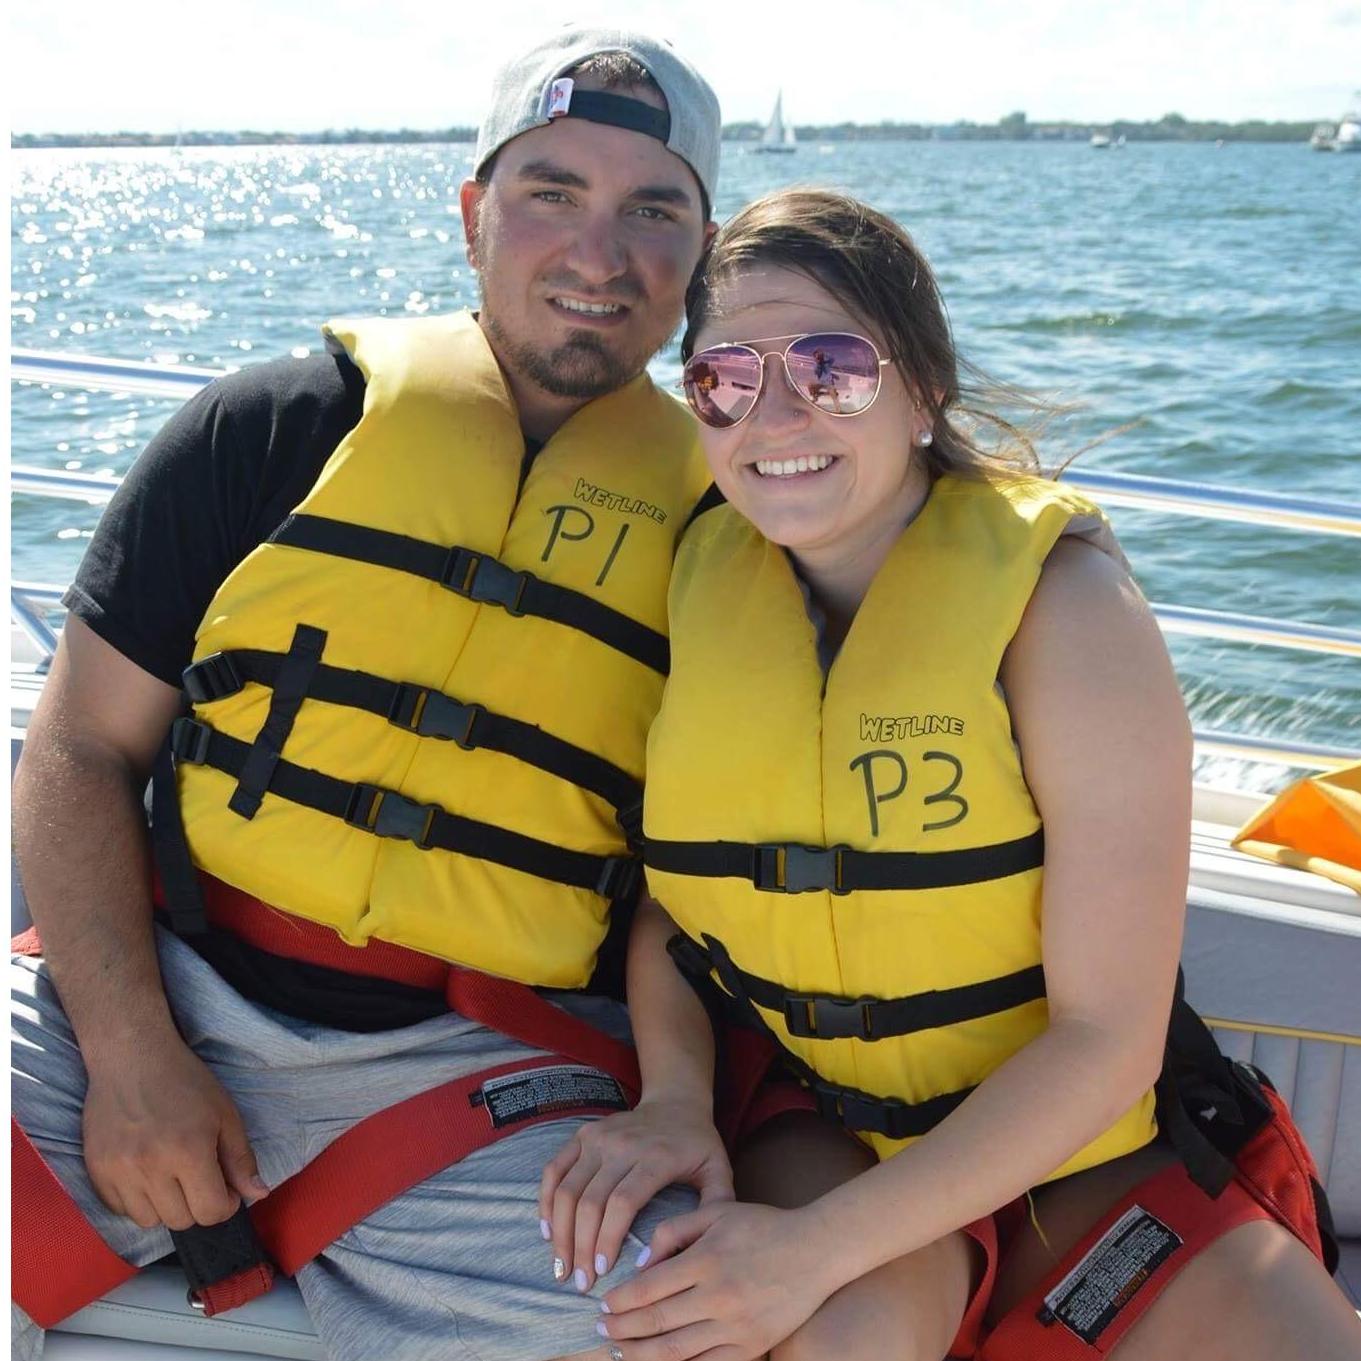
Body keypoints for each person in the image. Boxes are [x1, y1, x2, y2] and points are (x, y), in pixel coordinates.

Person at [539, 189, 1361, 1361]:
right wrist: (672, 1097)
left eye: (831, 367)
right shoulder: (695, 577)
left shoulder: (1064, 612)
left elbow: (1105, 1040)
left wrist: (812, 1251)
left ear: (921, 388)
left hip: (1079, 1152)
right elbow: (677, 902)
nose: (775, 412)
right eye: (725, 377)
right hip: (823, 1127)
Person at [11, 28, 722, 1361]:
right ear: (472, 214)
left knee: (689, 1322)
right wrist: (134, 1055)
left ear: (700, 256)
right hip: (163, 984)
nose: (597, 252)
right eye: (550, 192)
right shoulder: (264, 432)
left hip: (484, 1075)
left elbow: (695, 895)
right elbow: (77, 753)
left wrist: (677, 1103)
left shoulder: (726, 543)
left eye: (653, 211)